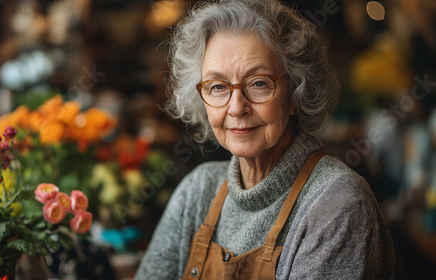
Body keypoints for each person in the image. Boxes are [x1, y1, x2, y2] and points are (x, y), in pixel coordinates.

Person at [135, 0, 395, 279]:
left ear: (295, 92)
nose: (236, 107)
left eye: (259, 83)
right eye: (218, 87)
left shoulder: (336, 203)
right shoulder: (197, 192)